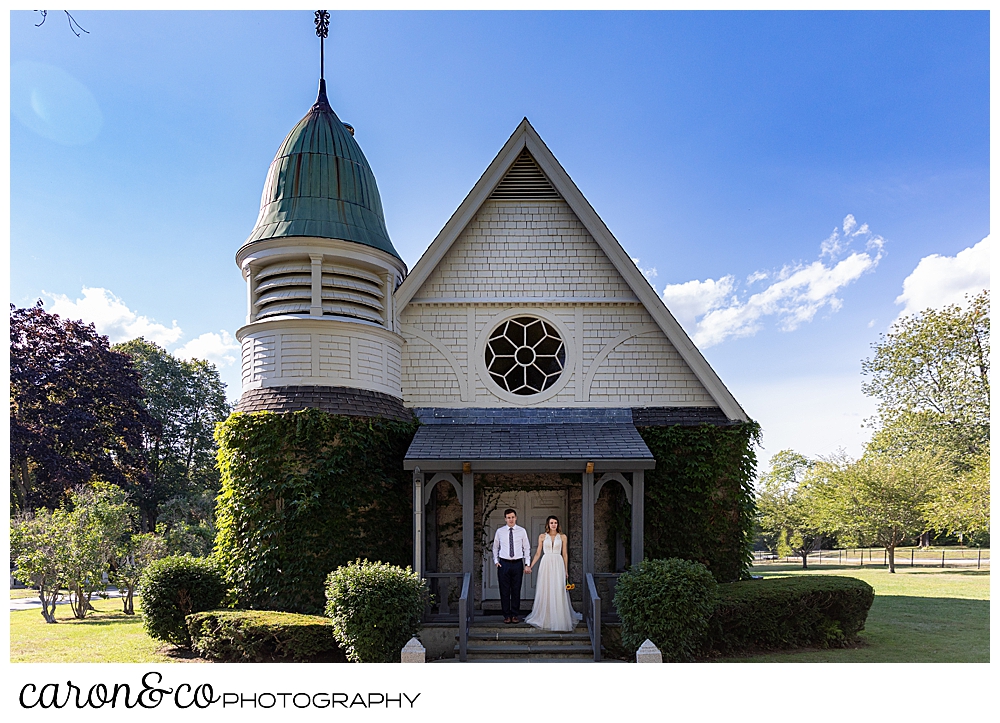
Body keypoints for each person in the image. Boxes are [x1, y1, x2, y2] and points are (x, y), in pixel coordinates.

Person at [524, 515, 582, 632]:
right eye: (551, 523)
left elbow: (565, 554)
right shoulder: (542, 536)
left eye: (555, 522)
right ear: (548, 524)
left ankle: (559, 617)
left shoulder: (562, 537)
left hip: (558, 563)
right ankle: (545, 617)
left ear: (558, 524)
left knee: (558, 589)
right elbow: (538, 553)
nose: (553, 525)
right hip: (545, 563)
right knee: (545, 589)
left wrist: (566, 570)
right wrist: (530, 565)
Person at [491, 508, 532, 624]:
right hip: (503, 563)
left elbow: (526, 548)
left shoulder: (522, 531)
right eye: (509, 517)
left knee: (516, 590)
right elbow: (495, 547)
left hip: (517, 563)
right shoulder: (500, 531)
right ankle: (506, 615)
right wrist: (496, 561)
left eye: (513, 517)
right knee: (504, 591)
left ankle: (514, 615)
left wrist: (527, 563)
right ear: (505, 519)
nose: (511, 519)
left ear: (516, 518)